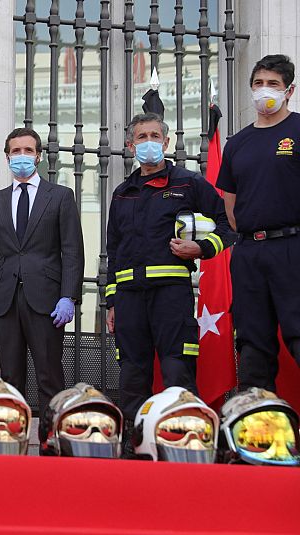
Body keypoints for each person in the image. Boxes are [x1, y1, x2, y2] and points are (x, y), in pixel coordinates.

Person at [105, 112, 236, 430]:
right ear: (130, 145)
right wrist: (111, 303)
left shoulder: (188, 183)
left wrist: (202, 249)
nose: (148, 142)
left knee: (177, 367)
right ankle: (134, 442)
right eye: (141, 137)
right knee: (133, 373)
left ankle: (183, 435)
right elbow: (114, 251)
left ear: (166, 141)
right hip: (129, 298)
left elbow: (228, 223)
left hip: (171, 296)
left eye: (154, 136)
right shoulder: (122, 192)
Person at [0, 127, 84, 438]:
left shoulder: (61, 196)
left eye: (27, 150)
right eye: (15, 151)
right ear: (7, 157)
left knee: (49, 374)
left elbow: (72, 250)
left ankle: (52, 441)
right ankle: (10, 439)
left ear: (38, 155)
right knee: (10, 375)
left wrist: (69, 296)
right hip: (5, 300)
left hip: (47, 298)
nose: (21, 156)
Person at [217, 54, 300, 392]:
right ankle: (258, 424)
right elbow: (231, 207)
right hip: (249, 252)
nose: (264, 91)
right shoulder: (237, 144)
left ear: (289, 91)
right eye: (259, 84)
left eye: (273, 84)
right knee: (252, 341)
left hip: (292, 248)